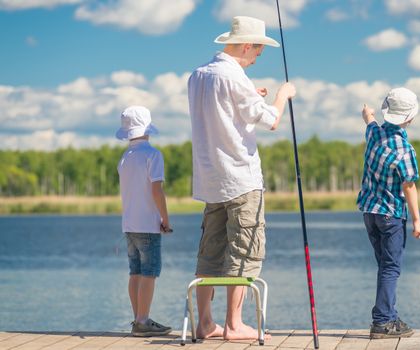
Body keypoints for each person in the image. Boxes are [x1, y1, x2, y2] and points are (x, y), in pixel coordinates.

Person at [187, 16, 296, 341]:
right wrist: (282, 95)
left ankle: (205, 324)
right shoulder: (234, 77)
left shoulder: (198, 75)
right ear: (247, 45)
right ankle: (234, 324)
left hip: (210, 180)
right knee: (244, 250)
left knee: (210, 251)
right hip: (242, 179)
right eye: (257, 54)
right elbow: (271, 120)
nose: (255, 59)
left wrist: (252, 92)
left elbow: (225, 110)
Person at [356, 87, 420, 339]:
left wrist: (368, 113)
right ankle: (383, 321)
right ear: (410, 118)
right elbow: (409, 185)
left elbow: (370, 121)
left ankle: (390, 315)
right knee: (391, 267)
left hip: (369, 213)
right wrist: (417, 220)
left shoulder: (375, 134)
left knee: (385, 266)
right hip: (391, 215)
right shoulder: (405, 151)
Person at [116, 105, 173, 337]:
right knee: (150, 272)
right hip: (149, 225)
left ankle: (138, 318)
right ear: (147, 128)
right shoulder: (153, 154)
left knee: (135, 272)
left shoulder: (125, 158)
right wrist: (165, 219)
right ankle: (143, 320)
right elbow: (156, 190)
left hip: (129, 225)